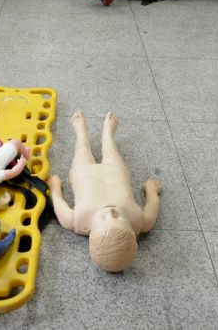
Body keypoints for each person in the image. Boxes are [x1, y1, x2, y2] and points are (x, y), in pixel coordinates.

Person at [47, 111, 162, 273]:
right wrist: (151, 191)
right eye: (119, 217)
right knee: (111, 151)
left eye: (104, 218)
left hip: (84, 172)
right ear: (132, 231)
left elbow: (58, 201)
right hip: (115, 172)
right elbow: (152, 204)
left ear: (89, 231)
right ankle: (107, 135)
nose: (112, 211)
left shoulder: (73, 220)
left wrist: (55, 187)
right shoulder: (143, 223)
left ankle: (81, 132)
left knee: (82, 150)